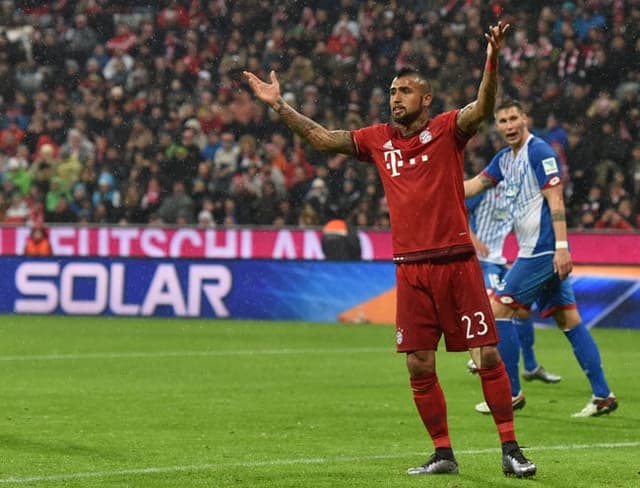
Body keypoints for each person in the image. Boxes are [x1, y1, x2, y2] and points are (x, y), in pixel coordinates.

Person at [245, 22, 538, 477]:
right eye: (391, 91)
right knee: (419, 364)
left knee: (488, 356)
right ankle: (443, 453)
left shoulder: (447, 130)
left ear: (425, 99)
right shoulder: (378, 139)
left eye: (404, 91)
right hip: (410, 269)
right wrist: (279, 105)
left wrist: (492, 58)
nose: (395, 97)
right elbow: (323, 139)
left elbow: (482, 106)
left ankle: (511, 449)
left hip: (456, 263)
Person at [464, 99, 617, 418]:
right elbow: (475, 185)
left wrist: (562, 246)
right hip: (535, 250)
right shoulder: (504, 159)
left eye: (513, 118)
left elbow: (556, 198)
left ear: (525, 119)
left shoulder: (540, 152)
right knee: (568, 320)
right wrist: (437, 184)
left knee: (498, 311)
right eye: (502, 121)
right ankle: (602, 395)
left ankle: (510, 394)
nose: (508, 125)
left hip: (542, 250)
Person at [465, 182, 561, 415]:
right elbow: (457, 210)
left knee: (523, 310)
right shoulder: (484, 190)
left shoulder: (517, 192)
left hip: (501, 260)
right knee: (494, 307)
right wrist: (473, 239)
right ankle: (480, 357)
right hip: (481, 260)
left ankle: (529, 366)